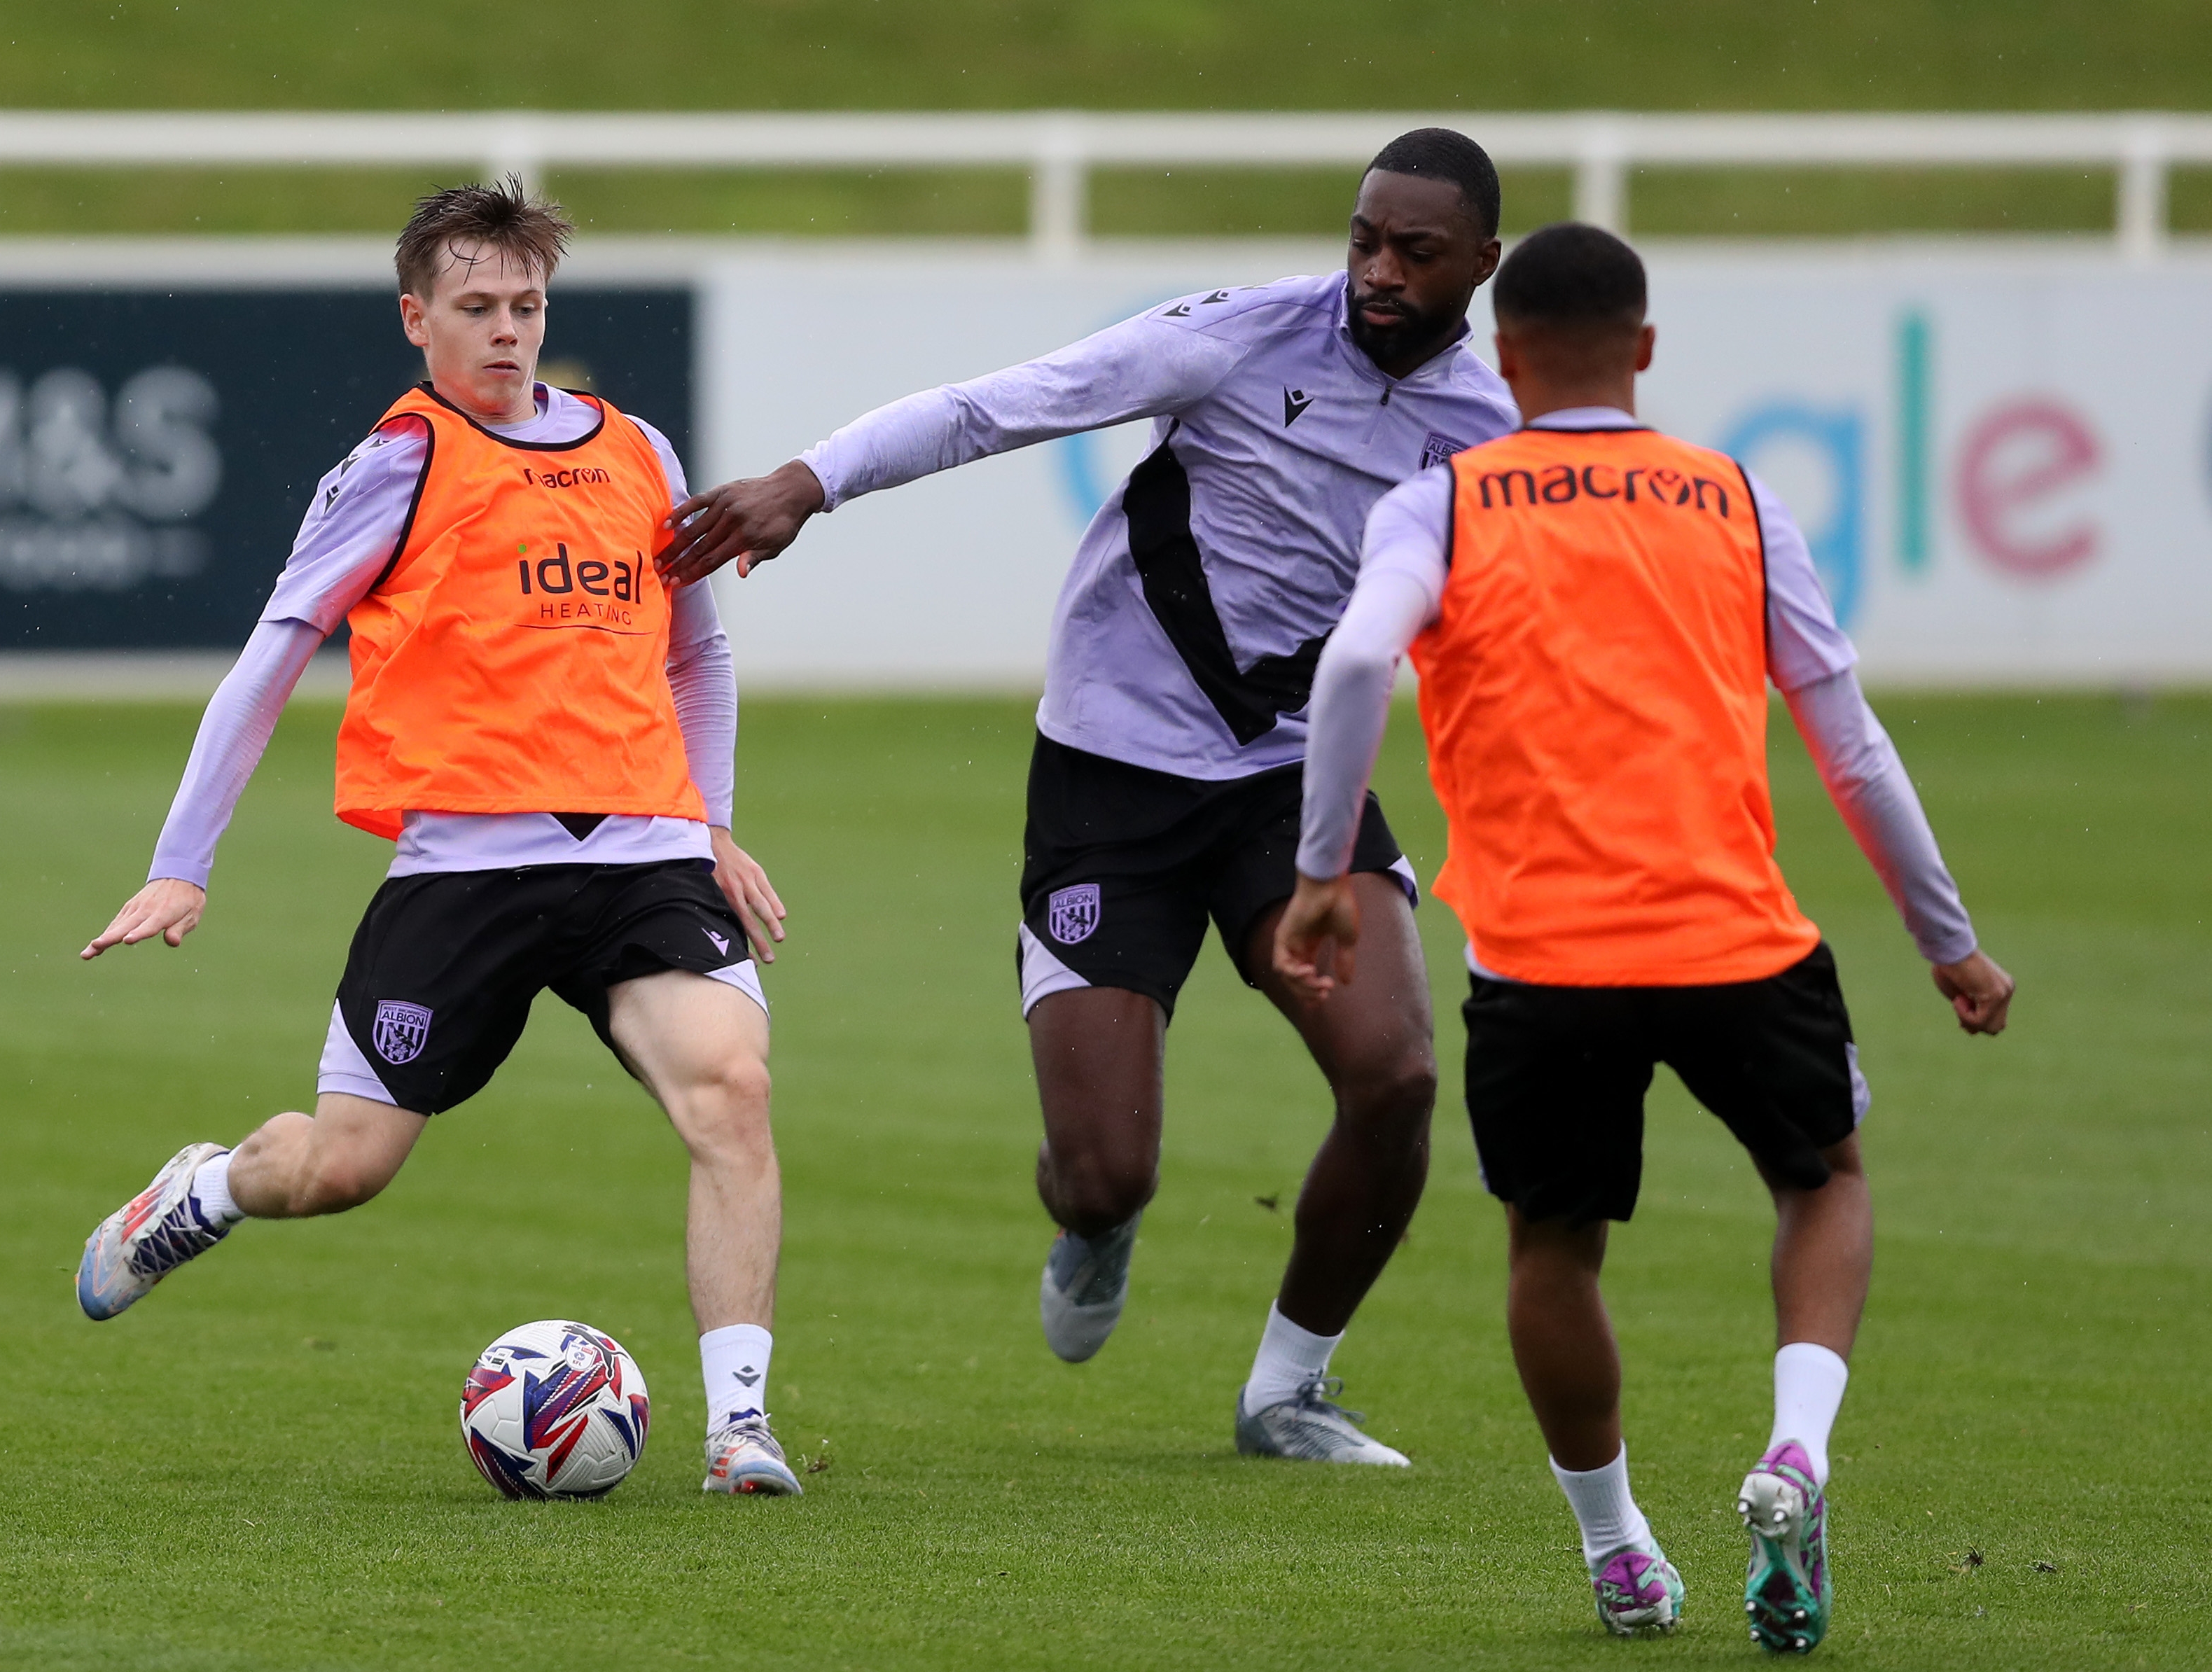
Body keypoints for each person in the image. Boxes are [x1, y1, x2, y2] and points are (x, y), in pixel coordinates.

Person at [660, 131, 1517, 1464]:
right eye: (1363, 239)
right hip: (1109, 784)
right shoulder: (1239, 339)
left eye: (1414, 251)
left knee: (1398, 1078)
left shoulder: (1490, 433)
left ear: (1481, 264)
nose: (1377, 271)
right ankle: (1096, 1224)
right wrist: (807, 484)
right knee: (1107, 1168)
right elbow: (998, 405)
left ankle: (1288, 1389)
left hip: (1296, 784)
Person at [1274, 221, 2015, 1646]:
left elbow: (1361, 656)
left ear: (1504, 358)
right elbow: (1848, 741)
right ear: (1649, 348)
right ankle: (1795, 1451)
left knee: (1554, 1252)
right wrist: (1949, 943)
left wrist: (1321, 870)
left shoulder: (1448, 500)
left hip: (1544, 962)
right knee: (1827, 1179)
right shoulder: (1734, 496)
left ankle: (1619, 1551)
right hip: (1737, 942)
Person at [72, 181, 805, 1498]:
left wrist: (710, 824)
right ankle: (211, 1190)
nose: (507, 332)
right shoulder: (394, 466)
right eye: (476, 308)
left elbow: (698, 658)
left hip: (639, 855)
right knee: (341, 1170)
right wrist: (183, 859)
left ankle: (739, 1428)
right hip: (465, 869)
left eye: (526, 306)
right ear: (418, 319)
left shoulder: (637, 452)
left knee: (732, 1093)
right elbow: (272, 655)